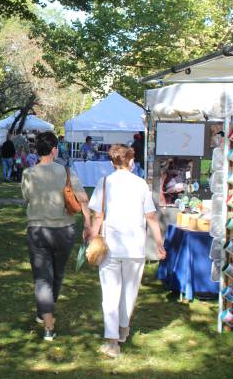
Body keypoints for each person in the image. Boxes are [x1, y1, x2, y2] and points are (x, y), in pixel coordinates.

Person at [88, 145, 166, 358]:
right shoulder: (140, 184)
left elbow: (98, 216)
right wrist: (159, 242)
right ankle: (122, 329)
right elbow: (151, 216)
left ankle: (113, 340)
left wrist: (93, 237)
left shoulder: (105, 183)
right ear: (130, 161)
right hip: (134, 247)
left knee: (110, 294)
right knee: (129, 292)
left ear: (113, 162)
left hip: (111, 246)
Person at [21, 131, 91, 342]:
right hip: (64, 230)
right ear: (54, 149)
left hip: (38, 230)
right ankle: (47, 318)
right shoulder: (66, 171)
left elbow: (26, 198)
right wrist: (88, 223)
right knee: (56, 275)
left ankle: (46, 315)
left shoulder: (28, 173)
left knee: (43, 278)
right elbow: (83, 199)